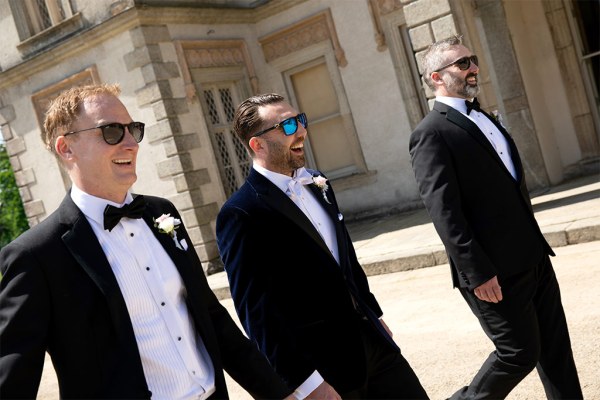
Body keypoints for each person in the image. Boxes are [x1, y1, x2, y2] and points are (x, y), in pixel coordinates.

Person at [0, 84, 294, 399]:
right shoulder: (36, 255)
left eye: (133, 130)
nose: (131, 143)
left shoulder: (162, 213)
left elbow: (210, 316)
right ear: (66, 148)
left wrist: (280, 394)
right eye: (111, 131)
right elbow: (13, 381)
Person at [216, 93, 428, 399]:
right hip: (323, 365)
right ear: (257, 144)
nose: (301, 130)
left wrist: (374, 314)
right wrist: (304, 383)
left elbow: (346, 259)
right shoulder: (240, 213)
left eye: (299, 120)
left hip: (372, 342)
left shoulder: (318, 181)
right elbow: (257, 313)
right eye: (287, 125)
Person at [409, 36, 583, 399]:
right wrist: (477, 272)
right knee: (517, 354)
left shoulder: (485, 117)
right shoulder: (430, 134)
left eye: (472, 60)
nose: (473, 68)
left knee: (556, 351)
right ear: (436, 77)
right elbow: (445, 212)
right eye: (462, 64)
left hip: (532, 255)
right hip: (494, 271)